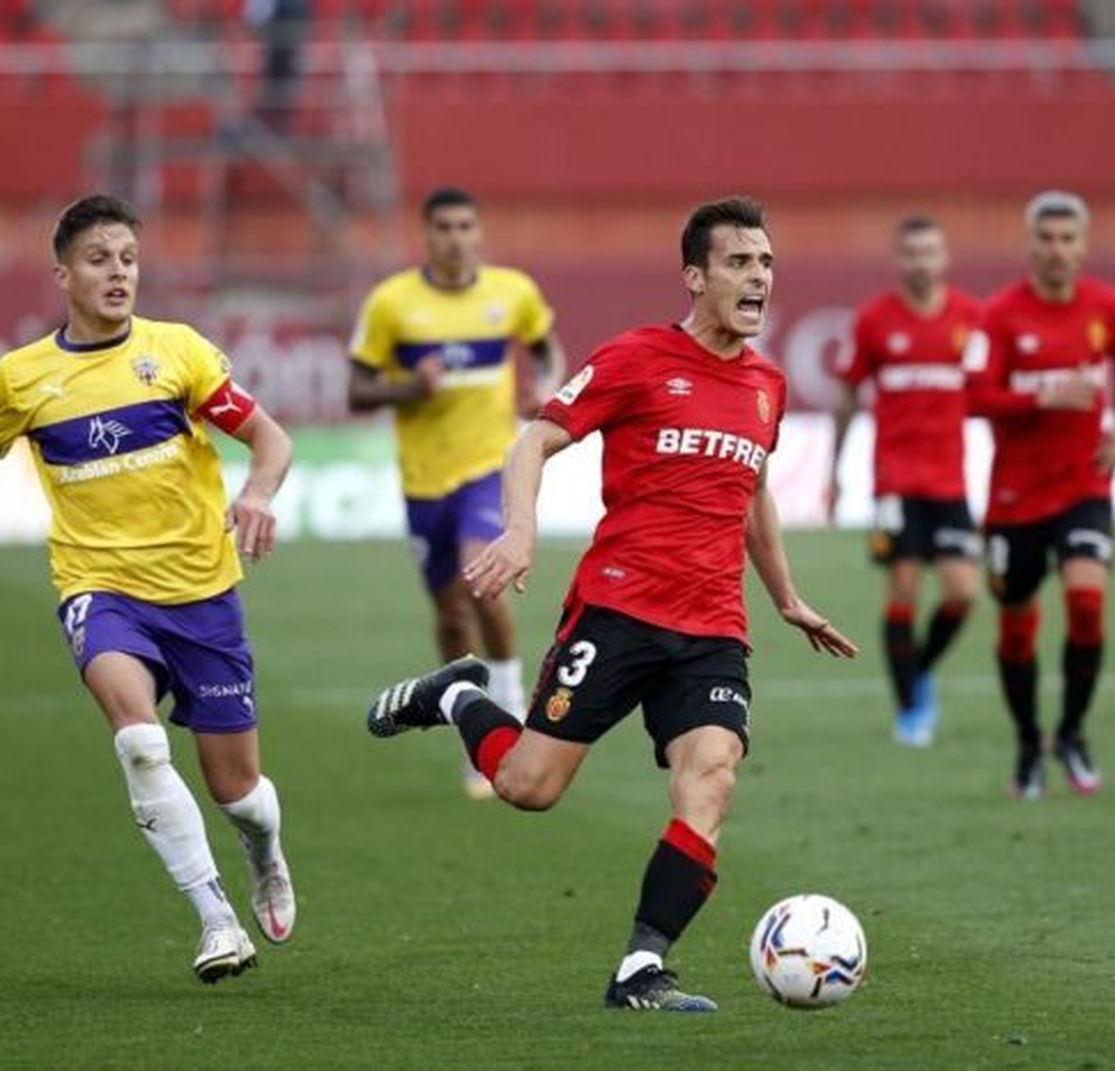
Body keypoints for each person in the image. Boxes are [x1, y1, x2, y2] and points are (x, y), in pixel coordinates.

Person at [363, 197, 858, 1011]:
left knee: (713, 778)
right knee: (530, 785)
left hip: (712, 629)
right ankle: (456, 693)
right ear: (695, 276)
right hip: (619, 611)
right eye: (740, 262)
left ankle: (640, 969)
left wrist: (787, 597)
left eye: (767, 263)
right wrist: (519, 532)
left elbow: (752, 495)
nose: (759, 277)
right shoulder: (634, 357)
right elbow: (535, 439)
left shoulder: (767, 386)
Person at [0, 194, 297, 982]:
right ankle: (214, 918)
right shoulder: (22, 378)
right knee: (139, 740)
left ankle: (263, 851)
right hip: (100, 588)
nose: (118, 274)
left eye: (129, 259)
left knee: (237, 790)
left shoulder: (178, 352)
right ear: (62, 274)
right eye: (100, 259)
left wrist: (257, 493)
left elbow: (268, 438)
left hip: (203, 594)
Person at [348, 186, 565, 800]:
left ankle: (510, 705)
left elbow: (546, 346)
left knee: (483, 580)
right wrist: (409, 388)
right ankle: (468, 722)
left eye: (465, 225)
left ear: (479, 232)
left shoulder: (512, 292)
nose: (455, 237)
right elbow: (357, 391)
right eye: (443, 226)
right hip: (424, 483)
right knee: (449, 614)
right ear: (427, 234)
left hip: (486, 469)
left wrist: (543, 391)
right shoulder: (392, 304)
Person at [964, 191, 1115, 800]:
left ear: (1083, 245)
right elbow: (974, 395)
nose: (1058, 250)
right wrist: (1043, 396)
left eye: (1069, 240)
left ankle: (1071, 732)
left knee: (1087, 601)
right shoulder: (999, 316)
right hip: (1015, 500)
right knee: (1017, 629)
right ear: (1030, 244)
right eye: (1047, 239)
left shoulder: (1109, 309)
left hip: (1085, 487)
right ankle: (1027, 743)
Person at [830, 216, 981, 746]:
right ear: (900, 259)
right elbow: (847, 397)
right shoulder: (874, 321)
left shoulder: (970, 318)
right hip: (894, 482)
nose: (921, 261)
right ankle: (911, 708)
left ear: (944, 257)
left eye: (930, 251)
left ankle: (916, 668)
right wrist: (833, 472)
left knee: (963, 592)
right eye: (912, 252)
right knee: (904, 589)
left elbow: (990, 393)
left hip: (951, 483)